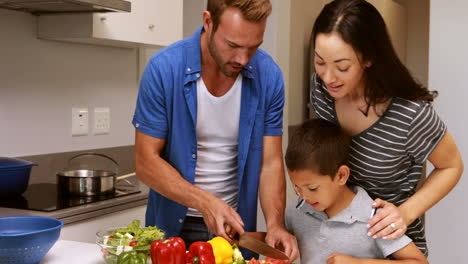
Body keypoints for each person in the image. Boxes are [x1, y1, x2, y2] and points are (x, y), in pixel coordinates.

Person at [132, 0, 298, 261]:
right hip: (172, 233)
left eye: (253, 47)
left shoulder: (269, 77)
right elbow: (145, 162)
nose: (242, 59)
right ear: (208, 21)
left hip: (235, 231)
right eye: (232, 45)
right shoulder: (163, 69)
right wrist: (205, 201)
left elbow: (270, 162)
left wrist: (275, 224)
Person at [308, 0, 464, 256]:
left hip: (393, 249)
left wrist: (405, 212)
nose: (328, 77)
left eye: (342, 66)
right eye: (319, 61)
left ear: (368, 58)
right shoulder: (322, 91)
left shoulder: (410, 113)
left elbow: (452, 166)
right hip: (339, 242)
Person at [285, 118, 429, 264]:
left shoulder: (375, 219)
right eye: (296, 186)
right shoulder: (295, 211)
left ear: (341, 175)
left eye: (312, 188)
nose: (304, 195)